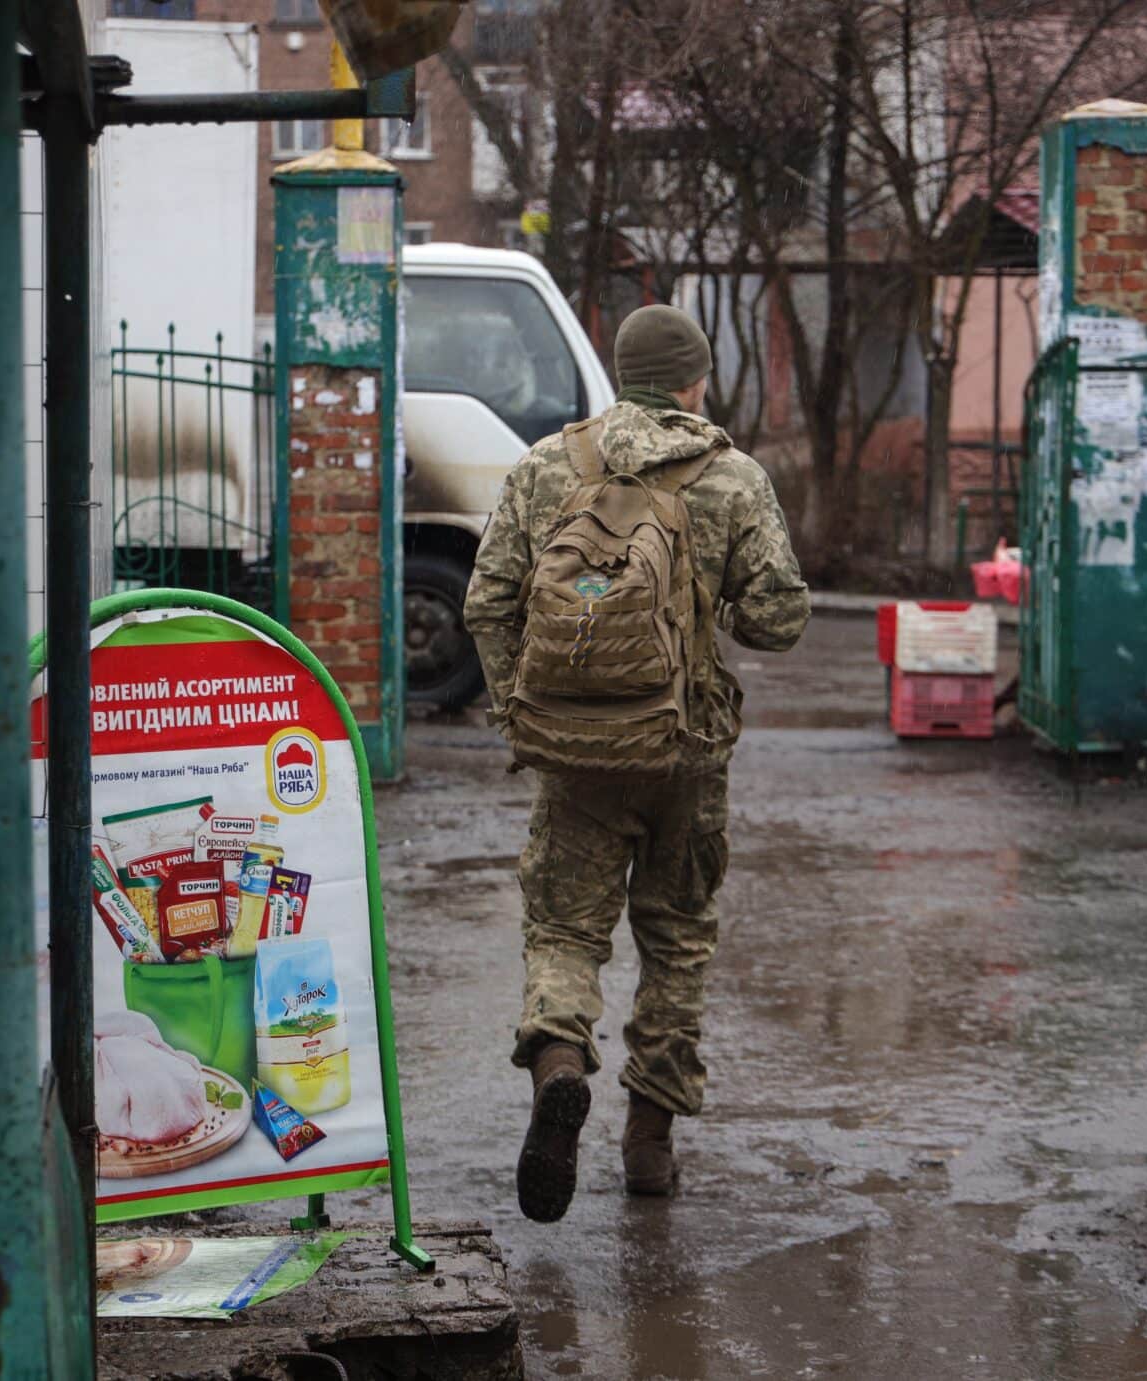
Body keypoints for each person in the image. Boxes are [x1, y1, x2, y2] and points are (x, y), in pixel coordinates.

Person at [463, 304, 810, 1222]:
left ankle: (560, 1068)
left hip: (575, 757)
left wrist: (523, 714)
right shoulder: (732, 477)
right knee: (677, 938)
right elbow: (778, 620)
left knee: (566, 931)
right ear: (696, 380)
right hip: (684, 755)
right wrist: (715, 605)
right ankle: (649, 1146)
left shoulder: (549, 466)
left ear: (621, 374)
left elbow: (487, 602)